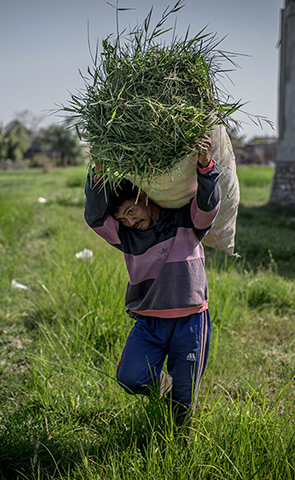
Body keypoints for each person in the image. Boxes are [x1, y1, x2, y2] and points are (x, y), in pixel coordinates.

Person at [83, 134, 221, 426]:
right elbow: (95, 218)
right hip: (149, 320)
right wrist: (97, 170)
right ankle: (166, 390)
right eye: (122, 218)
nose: (130, 222)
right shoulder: (126, 238)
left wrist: (205, 164)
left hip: (191, 319)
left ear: (143, 197)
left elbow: (208, 206)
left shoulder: (185, 219)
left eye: (131, 211)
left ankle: (176, 440)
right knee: (130, 377)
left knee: (184, 402)